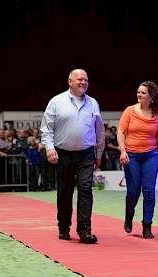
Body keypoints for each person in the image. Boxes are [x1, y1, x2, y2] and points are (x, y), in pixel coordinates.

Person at [40, 69, 105, 244]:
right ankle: (64, 227)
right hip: (63, 154)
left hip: (86, 154)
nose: (84, 82)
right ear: (70, 81)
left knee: (85, 190)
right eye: (80, 79)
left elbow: (99, 131)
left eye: (86, 80)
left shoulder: (93, 103)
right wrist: (49, 149)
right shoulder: (56, 101)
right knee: (64, 192)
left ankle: (84, 230)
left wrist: (98, 153)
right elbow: (46, 129)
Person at [117, 81, 158, 239]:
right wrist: (123, 151)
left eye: (143, 93)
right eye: (138, 92)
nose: (139, 94)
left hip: (151, 155)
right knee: (133, 192)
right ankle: (129, 216)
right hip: (132, 156)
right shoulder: (129, 111)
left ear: (151, 96)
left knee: (149, 192)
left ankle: (147, 225)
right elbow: (121, 132)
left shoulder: (157, 115)